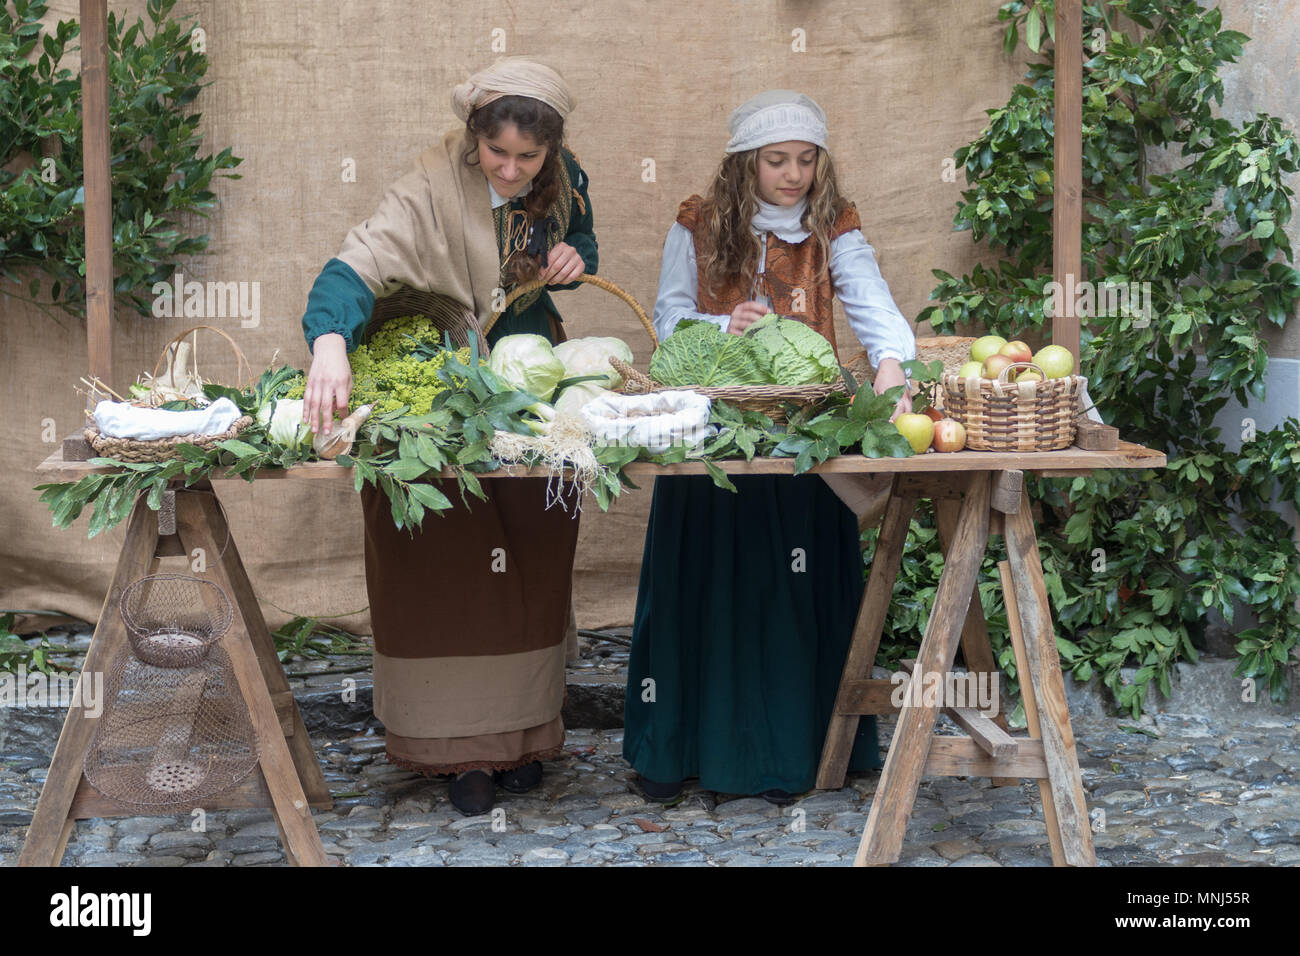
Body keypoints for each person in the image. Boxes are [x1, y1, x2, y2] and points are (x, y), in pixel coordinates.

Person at [298, 57, 597, 816]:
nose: (512, 168)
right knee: (447, 571)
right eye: (498, 153)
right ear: (474, 142)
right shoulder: (428, 188)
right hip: (439, 401)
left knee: (528, 565)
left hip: (530, 401)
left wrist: (572, 261)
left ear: (550, 152)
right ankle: (453, 750)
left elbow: (584, 246)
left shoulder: (566, 183)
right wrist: (330, 342)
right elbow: (354, 265)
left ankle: (529, 734)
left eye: (529, 158)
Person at [623, 90, 916, 805]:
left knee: (783, 593)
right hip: (711, 440)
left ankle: (791, 754)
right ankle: (678, 753)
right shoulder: (697, 222)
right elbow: (668, 321)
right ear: (745, 164)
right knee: (706, 587)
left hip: (798, 441)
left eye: (805, 159)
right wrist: (723, 326)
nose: (793, 174)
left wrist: (892, 365)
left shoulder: (832, 227)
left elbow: (874, 306)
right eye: (776, 160)